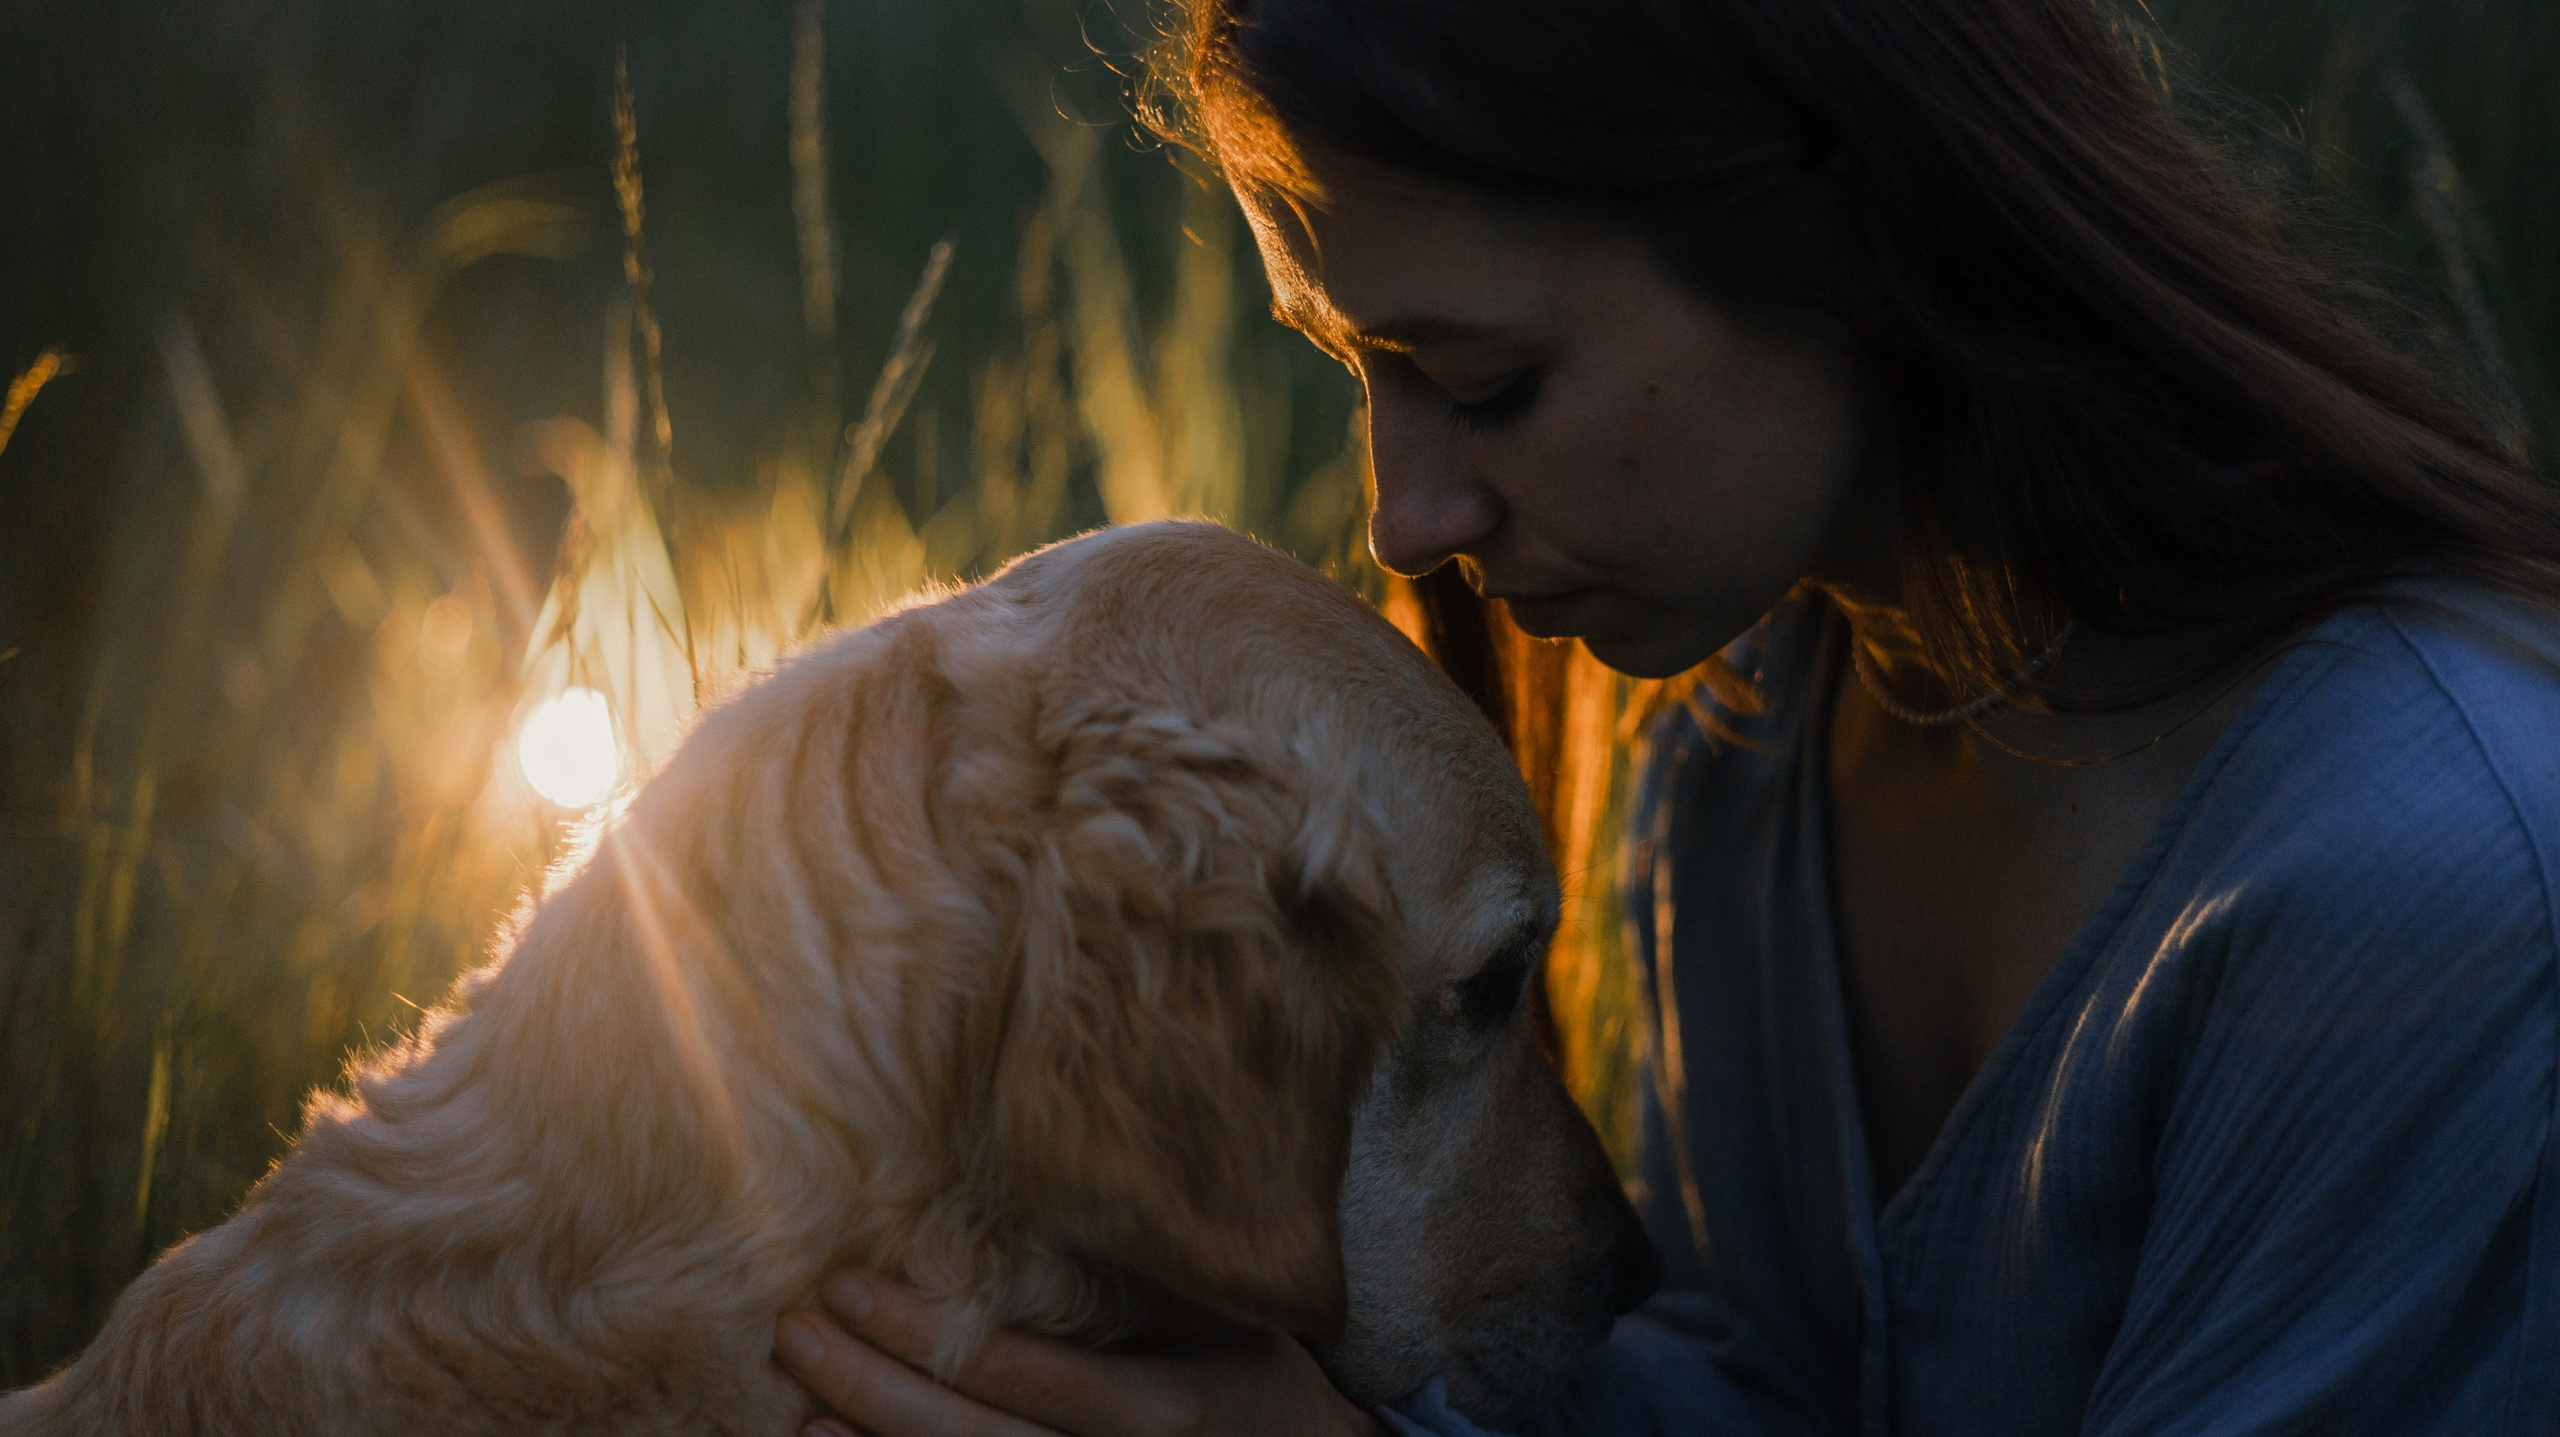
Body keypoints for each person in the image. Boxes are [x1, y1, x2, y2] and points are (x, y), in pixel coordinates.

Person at [771, 0, 2560, 1431]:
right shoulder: (1745, 705)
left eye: (1484, 382)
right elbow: (1774, 1390)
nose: (1404, 521)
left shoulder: (2437, 899)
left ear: (1842, 224)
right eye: (1355, 369)